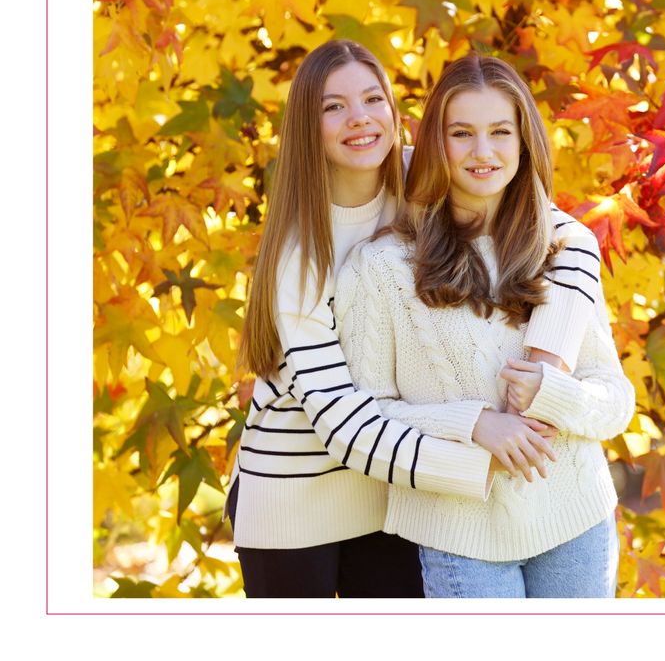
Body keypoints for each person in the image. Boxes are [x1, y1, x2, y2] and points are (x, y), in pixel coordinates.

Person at [228, 40, 605, 598]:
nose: (359, 119)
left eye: (372, 98)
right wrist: (478, 455)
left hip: (395, 490)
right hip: (298, 494)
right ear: (308, 126)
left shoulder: (420, 177)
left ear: (396, 112)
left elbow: (561, 232)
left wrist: (547, 357)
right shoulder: (300, 256)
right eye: (333, 106)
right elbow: (344, 424)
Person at [335, 53, 635, 598]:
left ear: (524, 142)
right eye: (462, 133)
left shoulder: (564, 251)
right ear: (435, 144)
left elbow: (615, 400)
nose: (483, 152)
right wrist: (475, 425)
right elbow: (366, 416)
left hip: (575, 521)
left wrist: (555, 394)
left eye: (500, 131)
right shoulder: (382, 268)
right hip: (459, 534)